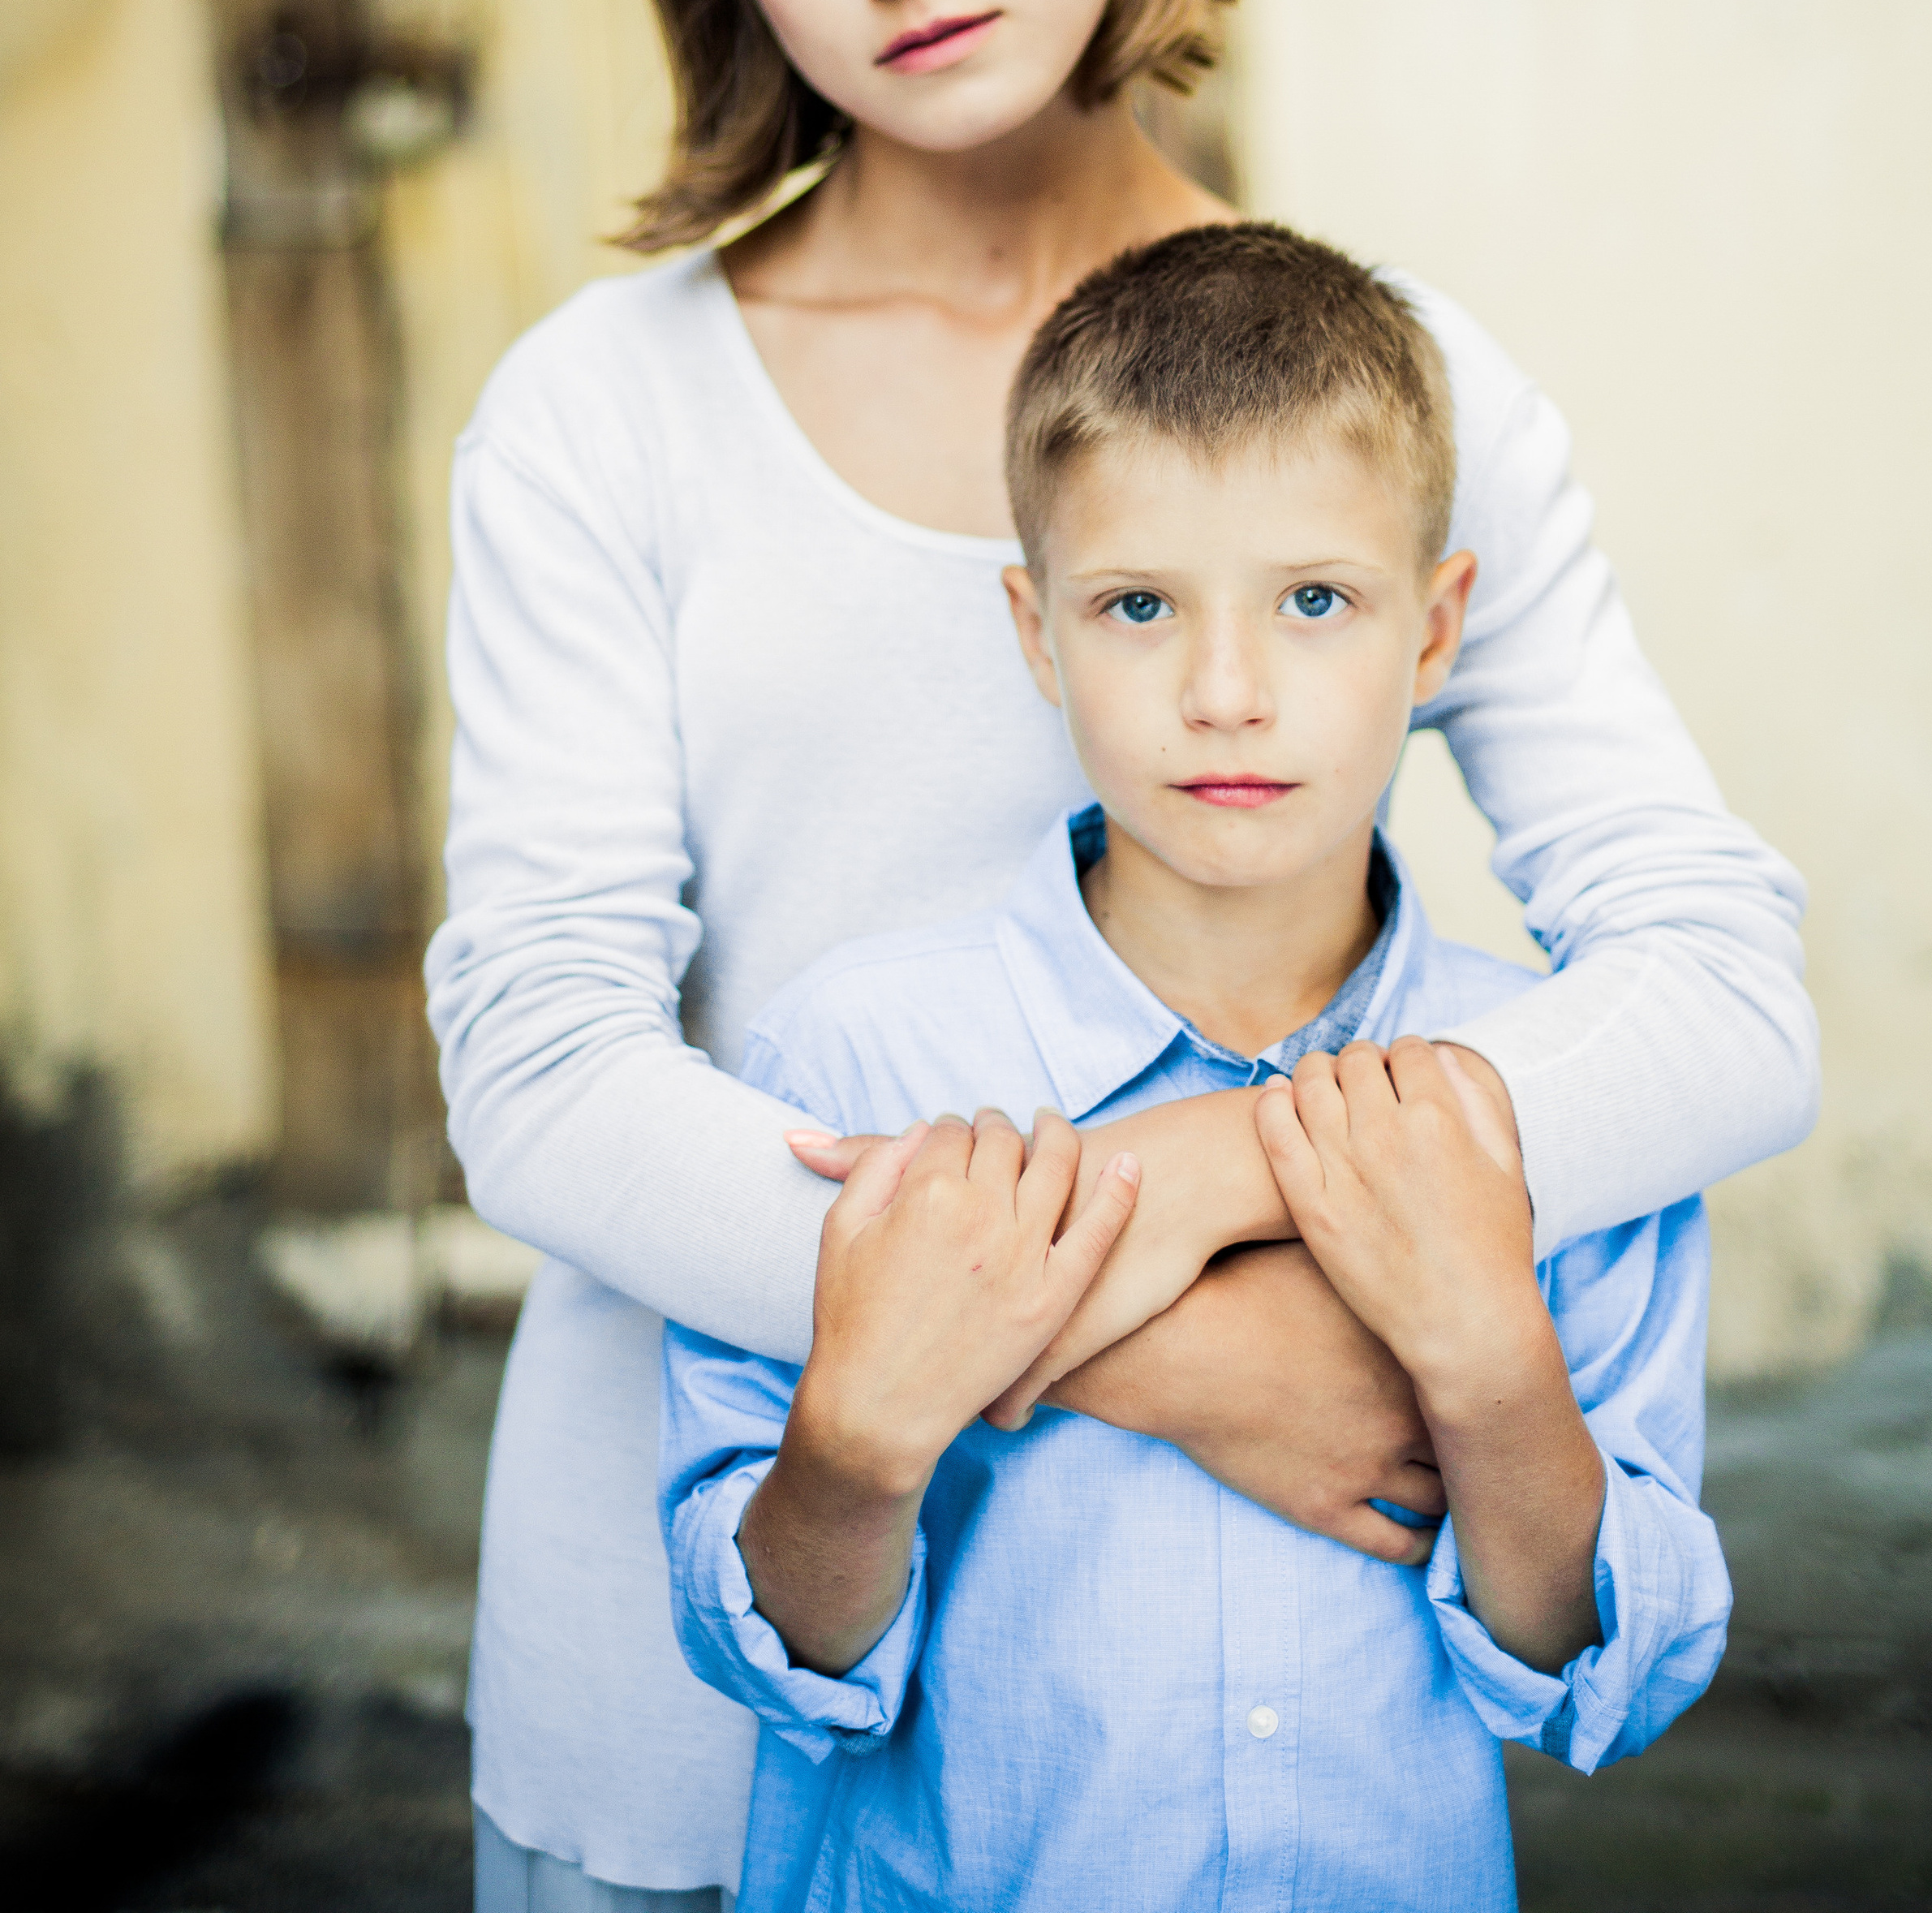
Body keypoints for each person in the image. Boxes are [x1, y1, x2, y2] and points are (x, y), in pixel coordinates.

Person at [427, 0, 1812, 1911]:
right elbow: (546, 1081)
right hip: (728, 1661)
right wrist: (1157, 1346)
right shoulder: (600, 413)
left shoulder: (1387, 384)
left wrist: (1191, 1190)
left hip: (1251, 1707)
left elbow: (1721, 997)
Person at [660, 224, 1731, 1913]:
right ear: (1034, 631)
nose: (1224, 693)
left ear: (1436, 628)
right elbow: (771, 1660)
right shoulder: (854, 1059)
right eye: (1137, 606)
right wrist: (859, 1443)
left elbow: (1601, 1676)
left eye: (1315, 601)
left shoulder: (1556, 1085)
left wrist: (1482, 1358)